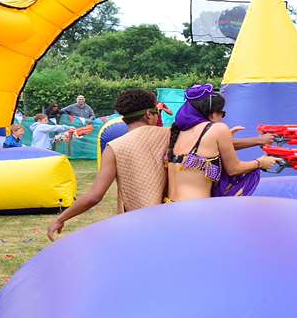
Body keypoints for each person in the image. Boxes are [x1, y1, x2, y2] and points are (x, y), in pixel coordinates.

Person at [48, 89, 166, 240]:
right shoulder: (171, 136)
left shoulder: (114, 148)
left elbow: (94, 196)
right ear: (149, 114)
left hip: (137, 225)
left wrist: (60, 219)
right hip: (171, 218)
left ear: (123, 119)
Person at [165, 83, 279, 201]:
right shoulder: (218, 129)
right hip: (197, 210)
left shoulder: (178, 131)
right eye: (222, 113)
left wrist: (257, 141)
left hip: (170, 206)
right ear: (213, 114)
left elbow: (203, 152)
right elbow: (234, 169)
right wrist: (260, 163)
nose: (223, 117)